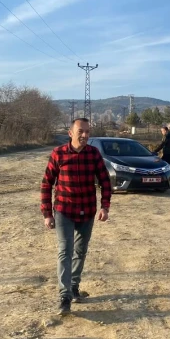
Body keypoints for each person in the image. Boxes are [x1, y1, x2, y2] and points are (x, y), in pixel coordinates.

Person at [40, 118, 112, 316]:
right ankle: (64, 296)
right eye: (81, 131)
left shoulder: (93, 154)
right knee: (65, 251)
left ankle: (74, 287)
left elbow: (105, 181)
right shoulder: (58, 153)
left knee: (80, 251)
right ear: (70, 133)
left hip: (87, 210)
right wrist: (47, 213)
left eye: (88, 131)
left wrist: (105, 206)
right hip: (64, 210)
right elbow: (47, 183)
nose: (85, 135)